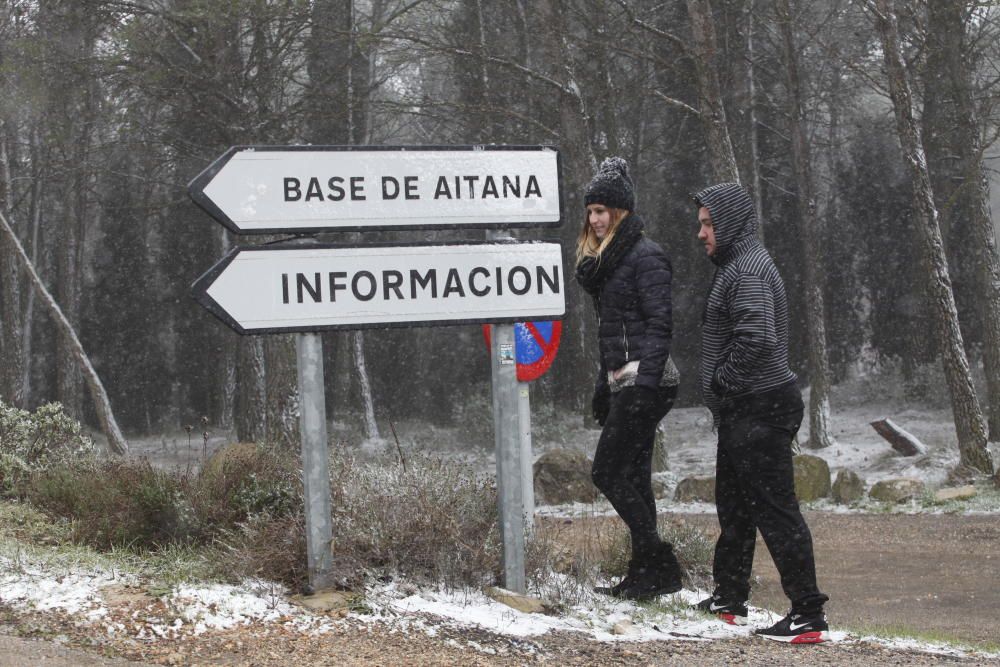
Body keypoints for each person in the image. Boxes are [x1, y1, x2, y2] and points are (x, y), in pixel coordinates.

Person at [690, 182, 829, 643]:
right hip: (746, 408)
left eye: (708, 224)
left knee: (775, 510)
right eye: (701, 224)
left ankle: (808, 613)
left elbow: (757, 338)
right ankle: (729, 597)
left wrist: (721, 382)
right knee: (734, 506)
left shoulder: (746, 270)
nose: (701, 233)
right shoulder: (737, 264)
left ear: (728, 223)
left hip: (758, 405)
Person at [574, 157, 683, 601]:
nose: (595, 219)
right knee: (635, 477)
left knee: (606, 472)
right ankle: (646, 577)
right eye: (591, 211)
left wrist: (646, 384)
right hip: (626, 380)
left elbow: (661, 325)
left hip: (650, 381)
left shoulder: (646, 256)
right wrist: (605, 386)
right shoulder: (605, 265)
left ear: (620, 212)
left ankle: (660, 564)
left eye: (603, 211)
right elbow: (611, 337)